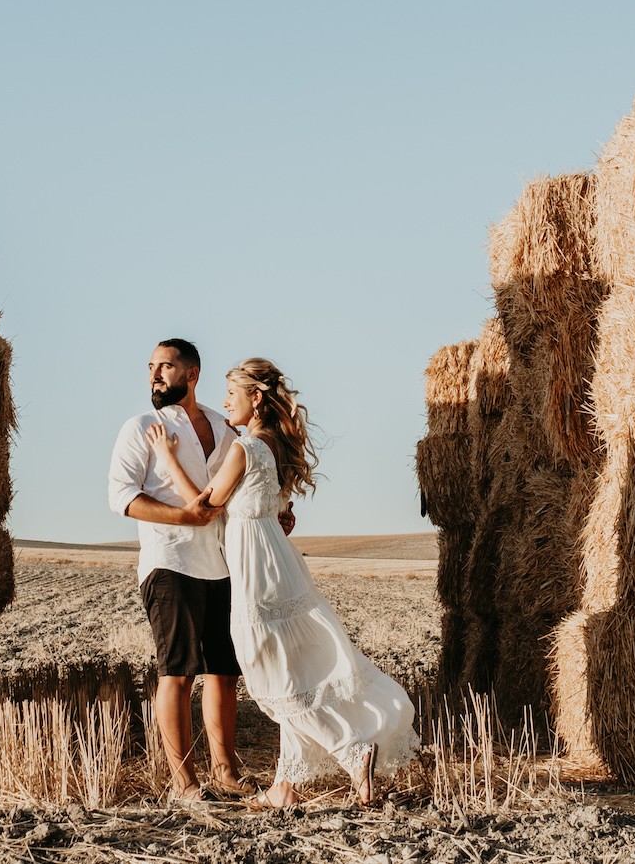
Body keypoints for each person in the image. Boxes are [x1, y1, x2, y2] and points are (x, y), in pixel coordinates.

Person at [147, 357, 418, 808]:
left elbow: (205, 505)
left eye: (232, 395)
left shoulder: (246, 448)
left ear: (256, 399)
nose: (225, 402)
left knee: (271, 676)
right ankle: (285, 787)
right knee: (288, 670)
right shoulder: (275, 444)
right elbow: (276, 507)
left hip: (256, 563)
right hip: (278, 557)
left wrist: (166, 458)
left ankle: (353, 751)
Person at [107, 339, 261, 802]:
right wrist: (183, 517)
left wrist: (275, 515)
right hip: (169, 561)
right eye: (150, 366)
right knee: (176, 673)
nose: (154, 375)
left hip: (222, 563)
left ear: (192, 374)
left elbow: (239, 487)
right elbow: (121, 497)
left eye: (165, 367)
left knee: (224, 673)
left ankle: (225, 771)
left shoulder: (225, 426)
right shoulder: (140, 428)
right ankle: (184, 782)